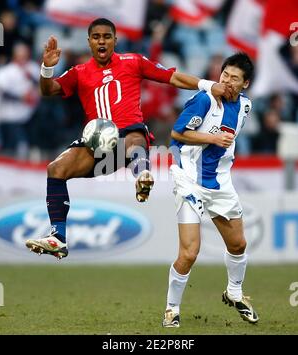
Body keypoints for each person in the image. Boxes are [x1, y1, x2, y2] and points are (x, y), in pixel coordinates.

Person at [25, 18, 230, 260]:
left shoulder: (133, 61)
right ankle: (58, 237)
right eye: (97, 37)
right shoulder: (79, 73)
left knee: (134, 140)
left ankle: (142, 174)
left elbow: (171, 77)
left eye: (107, 36)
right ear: (89, 41)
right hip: (96, 144)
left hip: (129, 134)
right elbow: (48, 90)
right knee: (56, 169)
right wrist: (47, 69)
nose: (102, 41)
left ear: (115, 40)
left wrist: (208, 85)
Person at [162, 52, 259, 327]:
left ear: (245, 84)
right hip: (190, 181)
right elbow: (177, 133)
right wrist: (212, 137)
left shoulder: (245, 106)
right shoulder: (204, 99)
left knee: (238, 244)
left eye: (234, 78)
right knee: (190, 253)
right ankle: (171, 309)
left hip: (220, 183)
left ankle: (234, 292)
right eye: (225, 75)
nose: (227, 82)